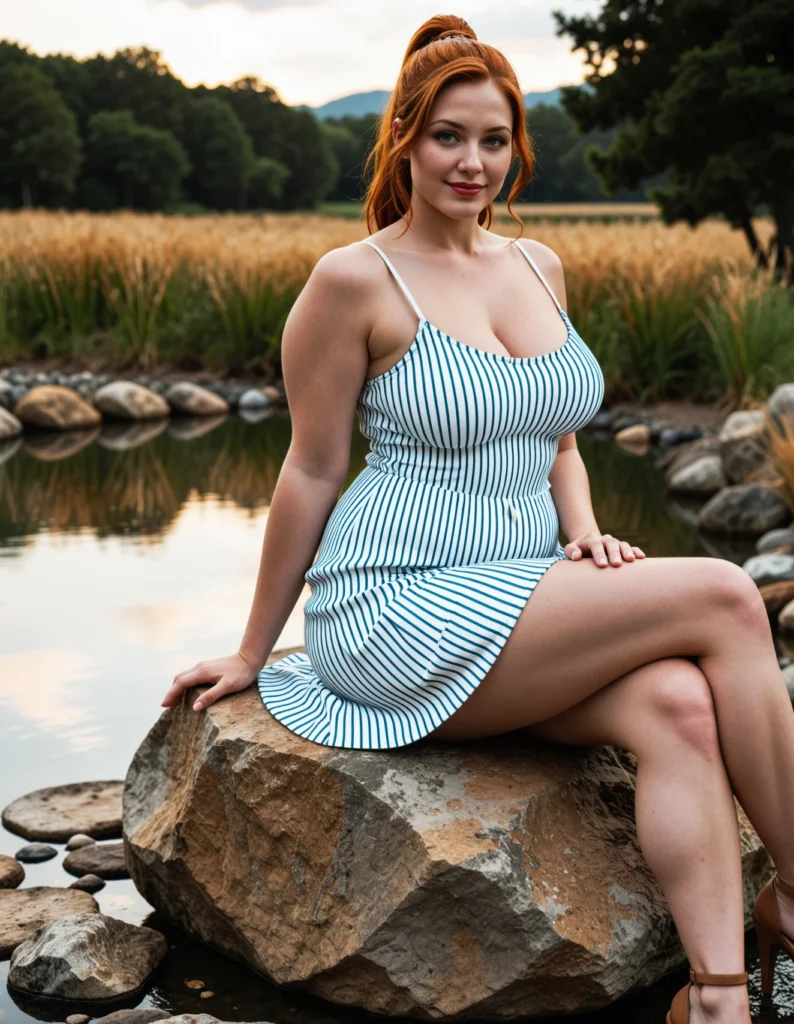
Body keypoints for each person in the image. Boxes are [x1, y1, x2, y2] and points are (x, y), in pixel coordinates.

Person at [160, 14, 794, 1023]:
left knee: (677, 702)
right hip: (393, 610)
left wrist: (583, 529)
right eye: (447, 136)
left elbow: (556, 440)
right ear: (404, 140)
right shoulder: (353, 280)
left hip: (519, 595)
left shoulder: (539, 265)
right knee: (724, 592)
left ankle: (719, 996)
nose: (470, 161)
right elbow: (311, 470)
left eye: (492, 140)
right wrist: (252, 649)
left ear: (515, 149)